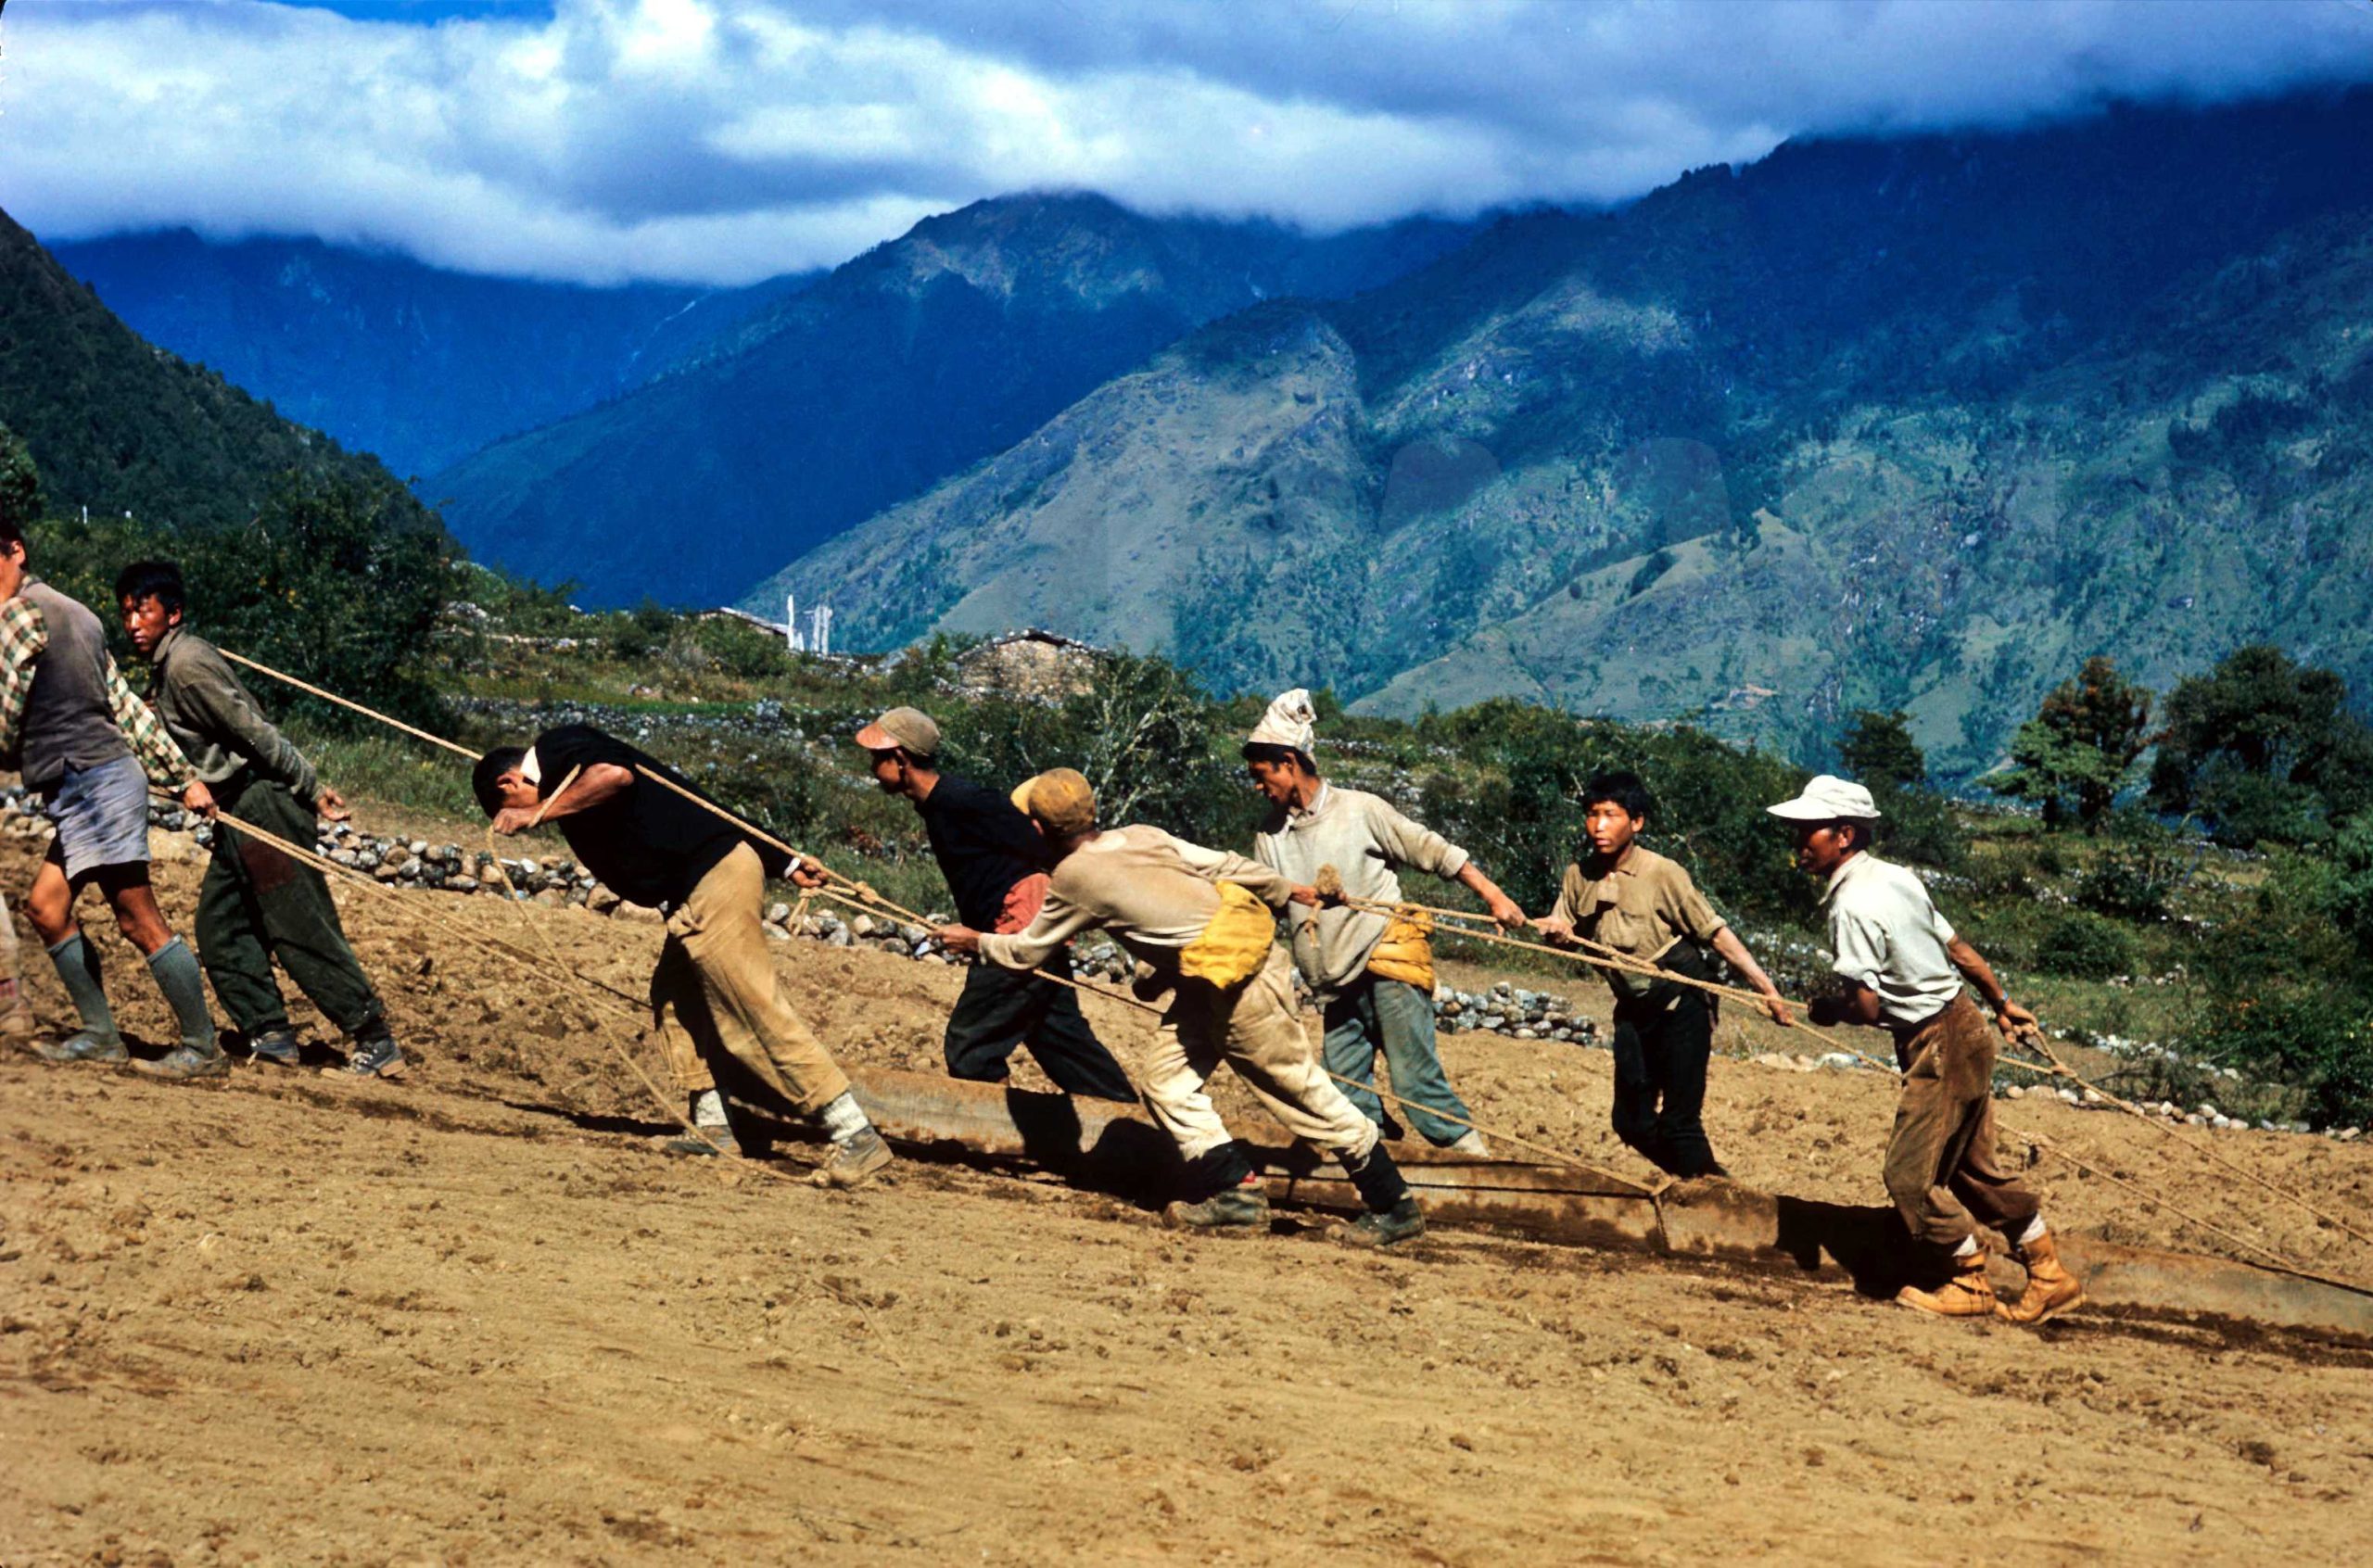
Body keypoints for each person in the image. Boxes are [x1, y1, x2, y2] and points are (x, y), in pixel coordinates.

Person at [936, 768, 1426, 1247]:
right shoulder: (1141, 834)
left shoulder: (1072, 878)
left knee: (1298, 1089)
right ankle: (1236, 1193)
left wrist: (975, 941)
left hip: (1239, 981)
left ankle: (1392, 1204)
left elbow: (1025, 952)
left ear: (1040, 829)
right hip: (1213, 973)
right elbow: (1224, 866)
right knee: (1167, 1084)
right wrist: (1288, 890)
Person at [473, 725, 894, 1189]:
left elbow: (615, 776)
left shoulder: (557, 750)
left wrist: (536, 814)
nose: (517, 821)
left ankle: (854, 1132)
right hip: (700, 886)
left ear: (508, 785)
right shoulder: (567, 786)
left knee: (748, 1007)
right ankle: (712, 1125)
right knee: (675, 998)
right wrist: (786, 861)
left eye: (507, 811)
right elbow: (693, 803)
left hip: (713, 881)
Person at [1769, 774, 2084, 1324]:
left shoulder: (1850, 908)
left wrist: (1828, 1009)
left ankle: (1968, 1280)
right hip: (1965, 1025)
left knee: (1908, 1177)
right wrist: (2002, 1003)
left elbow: (1866, 1007)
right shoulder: (1897, 878)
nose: (1799, 841)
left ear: (1844, 835)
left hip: (1935, 1042)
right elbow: (1956, 947)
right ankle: (2049, 1274)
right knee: (1970, 1169)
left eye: (1808, 830)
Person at [118, 561, 404, 1079]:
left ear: (173, 613)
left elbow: (253, 731)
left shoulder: (186, 666)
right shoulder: (172, 664)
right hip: (237, 809)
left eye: (144, 611)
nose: (134, 624)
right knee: (220, 928)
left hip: (263, 803)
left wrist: (311, 787)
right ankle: (271, 1035)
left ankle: (372, 1036)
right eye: (126, 615)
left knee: (297, 923)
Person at [1243, 689, 1522, 1154]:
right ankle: (1383, 1171)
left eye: (1262, 774)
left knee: (1417, 1086)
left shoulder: (1360, 809)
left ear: (1289, 763)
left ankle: (1479, 1167)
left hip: (1386, 960)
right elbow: (1264, 901)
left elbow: (1432, 850)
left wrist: (1493, 897)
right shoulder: (1269, 837)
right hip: (1333, 979)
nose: (1257, 786)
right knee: (1342, 1093)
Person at [0, 519, 223, 1080]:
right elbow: (123, 708)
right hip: (101, 779)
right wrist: (182, 777)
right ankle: (101, 1035)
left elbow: (2, 722)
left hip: (91, 783)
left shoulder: (17, 617)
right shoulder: (81, 616)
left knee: (136, 918)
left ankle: (203, 1047)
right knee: (46, 910)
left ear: (16, 552)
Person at [838, 706, 1136, 1100]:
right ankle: (1132, 1125)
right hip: (1029, 934)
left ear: (900, 759)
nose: (873, 767)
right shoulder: (942, 805)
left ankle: (996, 1134)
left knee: (971, 1046)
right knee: (1062, 1042)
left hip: (1016, 933)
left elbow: (1043, 845)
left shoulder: (965, 802)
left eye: (877, 758)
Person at [1535, 770, 1793, 1180]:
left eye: (1610, 814)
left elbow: (1716, 934)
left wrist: (1767, 990)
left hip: (1682, 1002)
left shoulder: (1662, 873)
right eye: (1591, 814)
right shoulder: (1577, 876)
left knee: (1679, 1124)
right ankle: (1703, 1183)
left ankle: (1713, 1197)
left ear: (1636, 822)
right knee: (1630, 1121)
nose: (1598, 825)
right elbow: (1561, 926)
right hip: (1633, 1008)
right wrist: (1554, 932)